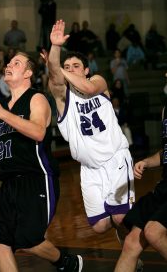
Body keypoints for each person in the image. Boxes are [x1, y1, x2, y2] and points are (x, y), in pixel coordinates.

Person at [0, 51, 83, 272]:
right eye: (9, 62)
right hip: (9, 183)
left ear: (28, 73)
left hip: (36, 179)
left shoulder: (36, 98)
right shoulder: (0, 107)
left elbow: (39, 132)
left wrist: (1, 114)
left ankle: (64, 262)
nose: (9, 65)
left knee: (27, 239)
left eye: (16, 63)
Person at [48, 20, 135, 247]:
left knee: (119, 216)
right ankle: (126, 227)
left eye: (75, 66)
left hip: (115, 159)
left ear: (86, 69)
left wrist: (58, 69)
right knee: (98, 226)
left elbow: (86, 87)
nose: (70, 70)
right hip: (89, 169)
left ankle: (133, 246)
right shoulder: (63, 98)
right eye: (66, 67)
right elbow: (55, 81)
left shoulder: (98, 81)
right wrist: (55, 49)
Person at [114, 102, 167, 272]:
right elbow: (165, 152)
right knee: (131, 243)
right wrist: (146, 162)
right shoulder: (165, 108)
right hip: (164, 187)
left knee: (153, 232)